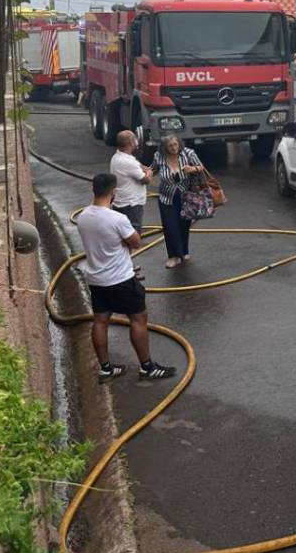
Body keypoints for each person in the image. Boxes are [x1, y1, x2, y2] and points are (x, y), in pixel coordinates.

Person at [76, 172, 175, 382]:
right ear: (113, 192)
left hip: (96, 279)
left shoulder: (83, 216)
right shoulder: (117, 219)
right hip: (120, 278)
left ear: (93, 190)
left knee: (100, 321)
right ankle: (147, 367)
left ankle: (106, 368)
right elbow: (136, 241)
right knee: (138, 319)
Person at [152, 134, 204, 269]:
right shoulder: (159, 156)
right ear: (164, 148)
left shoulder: (188, 153)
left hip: (185, 195)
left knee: (184, 225)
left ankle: (184, 251)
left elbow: (201, 167)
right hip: (166, 197)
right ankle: (173, 256)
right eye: (170, 146)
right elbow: (152, 170)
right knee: (169, 226)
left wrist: (192, 169)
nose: (174, 148)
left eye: (176, 145)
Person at [110, 130, 152, 232]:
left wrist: (142, 167)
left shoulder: (116, 157)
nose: (137, 141)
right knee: (133, 233)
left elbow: (134, 164)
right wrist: (149, 172)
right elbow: (146, 180)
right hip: (132, 204)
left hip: (119, 202)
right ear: (130, 143)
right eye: (134, 139)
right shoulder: (129, 163)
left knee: (121, 233)